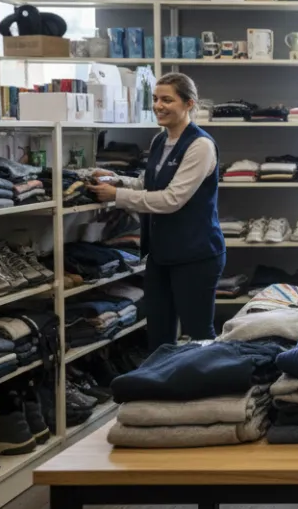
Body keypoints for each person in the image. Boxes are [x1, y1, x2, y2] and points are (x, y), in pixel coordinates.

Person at [88, 73, 225, 350]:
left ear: (189, 104)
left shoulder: (201, 145)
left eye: (167, 99)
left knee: (198, 331)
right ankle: (161, 389)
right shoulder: (159, 141)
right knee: (159, 332)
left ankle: (206, 389)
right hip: (161, 253)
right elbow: (148, 183)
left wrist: (118, 196)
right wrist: (116, 180)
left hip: (195, 254)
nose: (158, 106)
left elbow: (172, 199)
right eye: (155, 99)